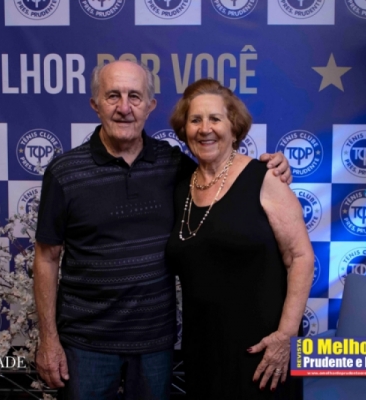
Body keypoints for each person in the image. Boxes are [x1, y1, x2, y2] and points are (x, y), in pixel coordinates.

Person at [32, 61, 292, 400]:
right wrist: (48, 340)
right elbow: (46, 258)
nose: (124, 107)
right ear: (95, 104)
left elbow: (223, 177)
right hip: (86, 345)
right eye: (113, 96)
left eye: (134, 97)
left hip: (156, 344)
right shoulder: (64, 172)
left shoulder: (175, 165)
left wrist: (273, 168)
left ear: (150, 106)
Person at [166, 78, 314, 399]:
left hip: (264, 348)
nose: (205, 129)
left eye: (215, 119)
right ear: (184, 129)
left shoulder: (266, 178)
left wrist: (286, 336)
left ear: (234, 127)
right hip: (203, 348)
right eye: (195, 120)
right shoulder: (179, 186)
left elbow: (301, 257)